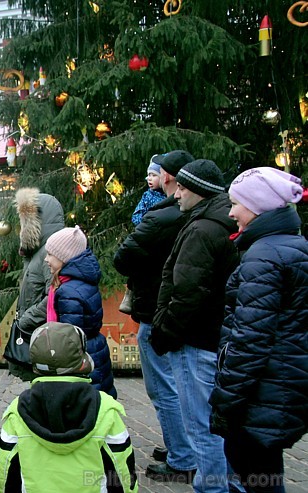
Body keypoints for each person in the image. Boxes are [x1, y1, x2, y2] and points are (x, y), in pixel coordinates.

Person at [209, 167, 307, 493]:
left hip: (259, 389)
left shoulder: (263, 256)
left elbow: (250, 339)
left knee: (255, 473)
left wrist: (225, 399)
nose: (231, 211)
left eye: (236, 203)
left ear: (258, 206)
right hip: (280, 383)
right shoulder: (291, 246)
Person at [150, 159, 239, 493]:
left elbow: (187, 291)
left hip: (194, 342)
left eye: (183, 188)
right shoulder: (214, 222)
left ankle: (213, 488)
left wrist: (164, 333)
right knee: (212, 426)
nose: (177, 194)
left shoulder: (202, 229)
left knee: (201, 429)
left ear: (199, 190)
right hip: (210, 338)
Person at [113, 150, 197, 481]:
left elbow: (124, 257)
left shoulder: (161, 216)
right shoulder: (191, 213)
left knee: (163, 388)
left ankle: (182, 457)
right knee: (180, 383)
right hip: (177, 309)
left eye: (158, 172)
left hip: (155, 310)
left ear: (168, 177)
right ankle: (181, 444)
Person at [0, 321, 138, 493]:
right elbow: (121, 466)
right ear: (81, 362)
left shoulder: (18, 410)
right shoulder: (105, 408)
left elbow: (5, 467)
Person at [44, 226, 116, 397]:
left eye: (50, 254)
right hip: (95, 349)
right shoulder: (81, 281)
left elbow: (69, 338)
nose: (46, 259)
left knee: (88, 405)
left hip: (82, 360)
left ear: (65, 257)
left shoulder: (68, 291)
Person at [9, 187, 65, 381]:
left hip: (45, 340)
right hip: (38, 337)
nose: (21, 226)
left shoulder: (50, 252)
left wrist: (26, 319)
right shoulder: (38, 251)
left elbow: (56, 294)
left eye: (25, 221)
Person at [120, 154, 168, 313]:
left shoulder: (170, 197)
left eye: (154, 175)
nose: (149, 179)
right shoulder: (148, 196)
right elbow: (136, 215)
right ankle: (130, 293)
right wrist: (145, 224)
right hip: (148, 234)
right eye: (148, 175)